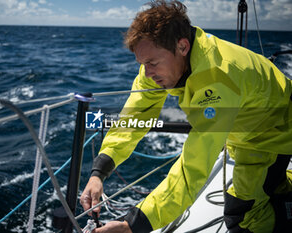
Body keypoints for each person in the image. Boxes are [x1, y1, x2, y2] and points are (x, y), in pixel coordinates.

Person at [80, 0, 292, 232]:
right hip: (244, 125)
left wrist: (132, 225)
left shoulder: (216, 78)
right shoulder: (160, 65)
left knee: (243, 214)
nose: (147, 73)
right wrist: (99, 172)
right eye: (142, 64)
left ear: (182, 47)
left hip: (272, 132)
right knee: (271, 184)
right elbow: (135, 116)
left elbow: (193, 168)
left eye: (152, 63)